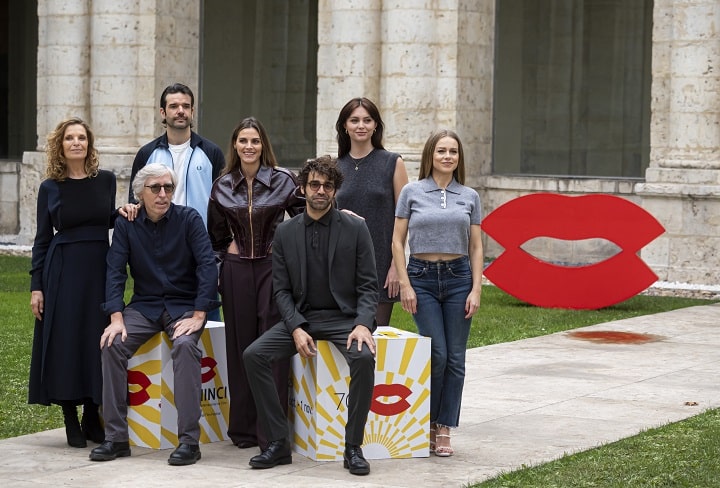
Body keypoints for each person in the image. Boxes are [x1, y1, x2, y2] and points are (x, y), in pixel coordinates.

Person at [243, 155, 378, 476]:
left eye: (328, 186)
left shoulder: (356, 228)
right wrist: (295, 327)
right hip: (302, 318)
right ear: (303, 188)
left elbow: (369, 285)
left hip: (345, 319)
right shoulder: (285, 231)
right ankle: (278, 442)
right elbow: (281, 290)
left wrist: (362, 323)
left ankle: (353, 447)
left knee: (363, 358)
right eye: (314, 184)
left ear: (335, 190)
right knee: (254, 355)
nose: (321, 190)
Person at [89, 163, 219, 466]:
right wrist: (116, 317)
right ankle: (116, 439)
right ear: (140, 194)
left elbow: (207, 265)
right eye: (156, 188)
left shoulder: (189, 219)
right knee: (112, 344)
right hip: (144, 306)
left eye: (168, 188)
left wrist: (199, 313)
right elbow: (115, 271)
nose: (163, 194)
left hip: (183, 306)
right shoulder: (127, 224)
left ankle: (189, 442)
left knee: (185, 346)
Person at [206, 117, 304, 449]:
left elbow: (308, 219)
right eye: (243, 141)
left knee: (271, 349)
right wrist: (222, 270)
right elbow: (215, 239)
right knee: (239, 348)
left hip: (272, 269)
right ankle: (244, 430)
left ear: (264, 146)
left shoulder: (283, 181)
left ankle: (271, 433)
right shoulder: (221, 185)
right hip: (235, 271)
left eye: (255, 141)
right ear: (235, 145)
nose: (249, 147)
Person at [391, 129, 483, 457]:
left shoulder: (469, 196)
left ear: (459, 158)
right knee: (437, 354)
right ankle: (428, 421)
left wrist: (476, 288)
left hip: (459, 279)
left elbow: (476, 246)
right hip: (422, 278)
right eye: (441, 150)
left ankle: (444, 426)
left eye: (453, 151)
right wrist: (405, 284)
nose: (447, 156)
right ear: (430, 154)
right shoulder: (412, 192)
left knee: (456, 358)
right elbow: (397, 241)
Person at [29, 117, 117, 448]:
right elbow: (41, 239)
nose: (76, 142)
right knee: (66, 340)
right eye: (70, 138)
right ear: (61, 145)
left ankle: (92, 416)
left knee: (97, 339)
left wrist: (126, 212)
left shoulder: (106, 180)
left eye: (82, 137)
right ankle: (69, 416)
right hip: (62, 270)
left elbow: (107, 218)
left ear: (89, 144)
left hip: (99, 268)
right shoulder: (49, 187)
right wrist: (36, 286)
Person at [125, 82, 224, 320]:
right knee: (159, 313)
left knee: (208, 317)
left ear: (192, 111)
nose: (180, 111)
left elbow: (223, 204)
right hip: (159, 247)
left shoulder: (211, 153)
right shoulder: (146, 154)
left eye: (186, 106)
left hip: (201, 246)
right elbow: (135, 199)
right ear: (163, 112)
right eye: (174, 106)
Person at [334, 97, 408, 327]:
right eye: (354, 120)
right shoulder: (334, 167)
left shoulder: (393, 163)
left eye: (367, 120)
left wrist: (396, 265)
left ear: (376, 125)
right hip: (341, 263)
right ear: (344, 126)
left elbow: (404, 218)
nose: (361, 126)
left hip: (381, 263)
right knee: (342, 334)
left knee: (376, 334)